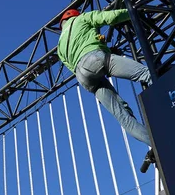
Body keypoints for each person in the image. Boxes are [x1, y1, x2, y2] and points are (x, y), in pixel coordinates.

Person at [57, 8, 153, 149]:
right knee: (145, 74)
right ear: (74, 15)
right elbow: (110, 17)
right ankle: (174, 97)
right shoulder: (82, 18)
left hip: (83, 77)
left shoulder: (59, 46)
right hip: (95, 58)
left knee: (124, 118)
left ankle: (156, 145)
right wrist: (133, 11)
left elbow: (71, 67)